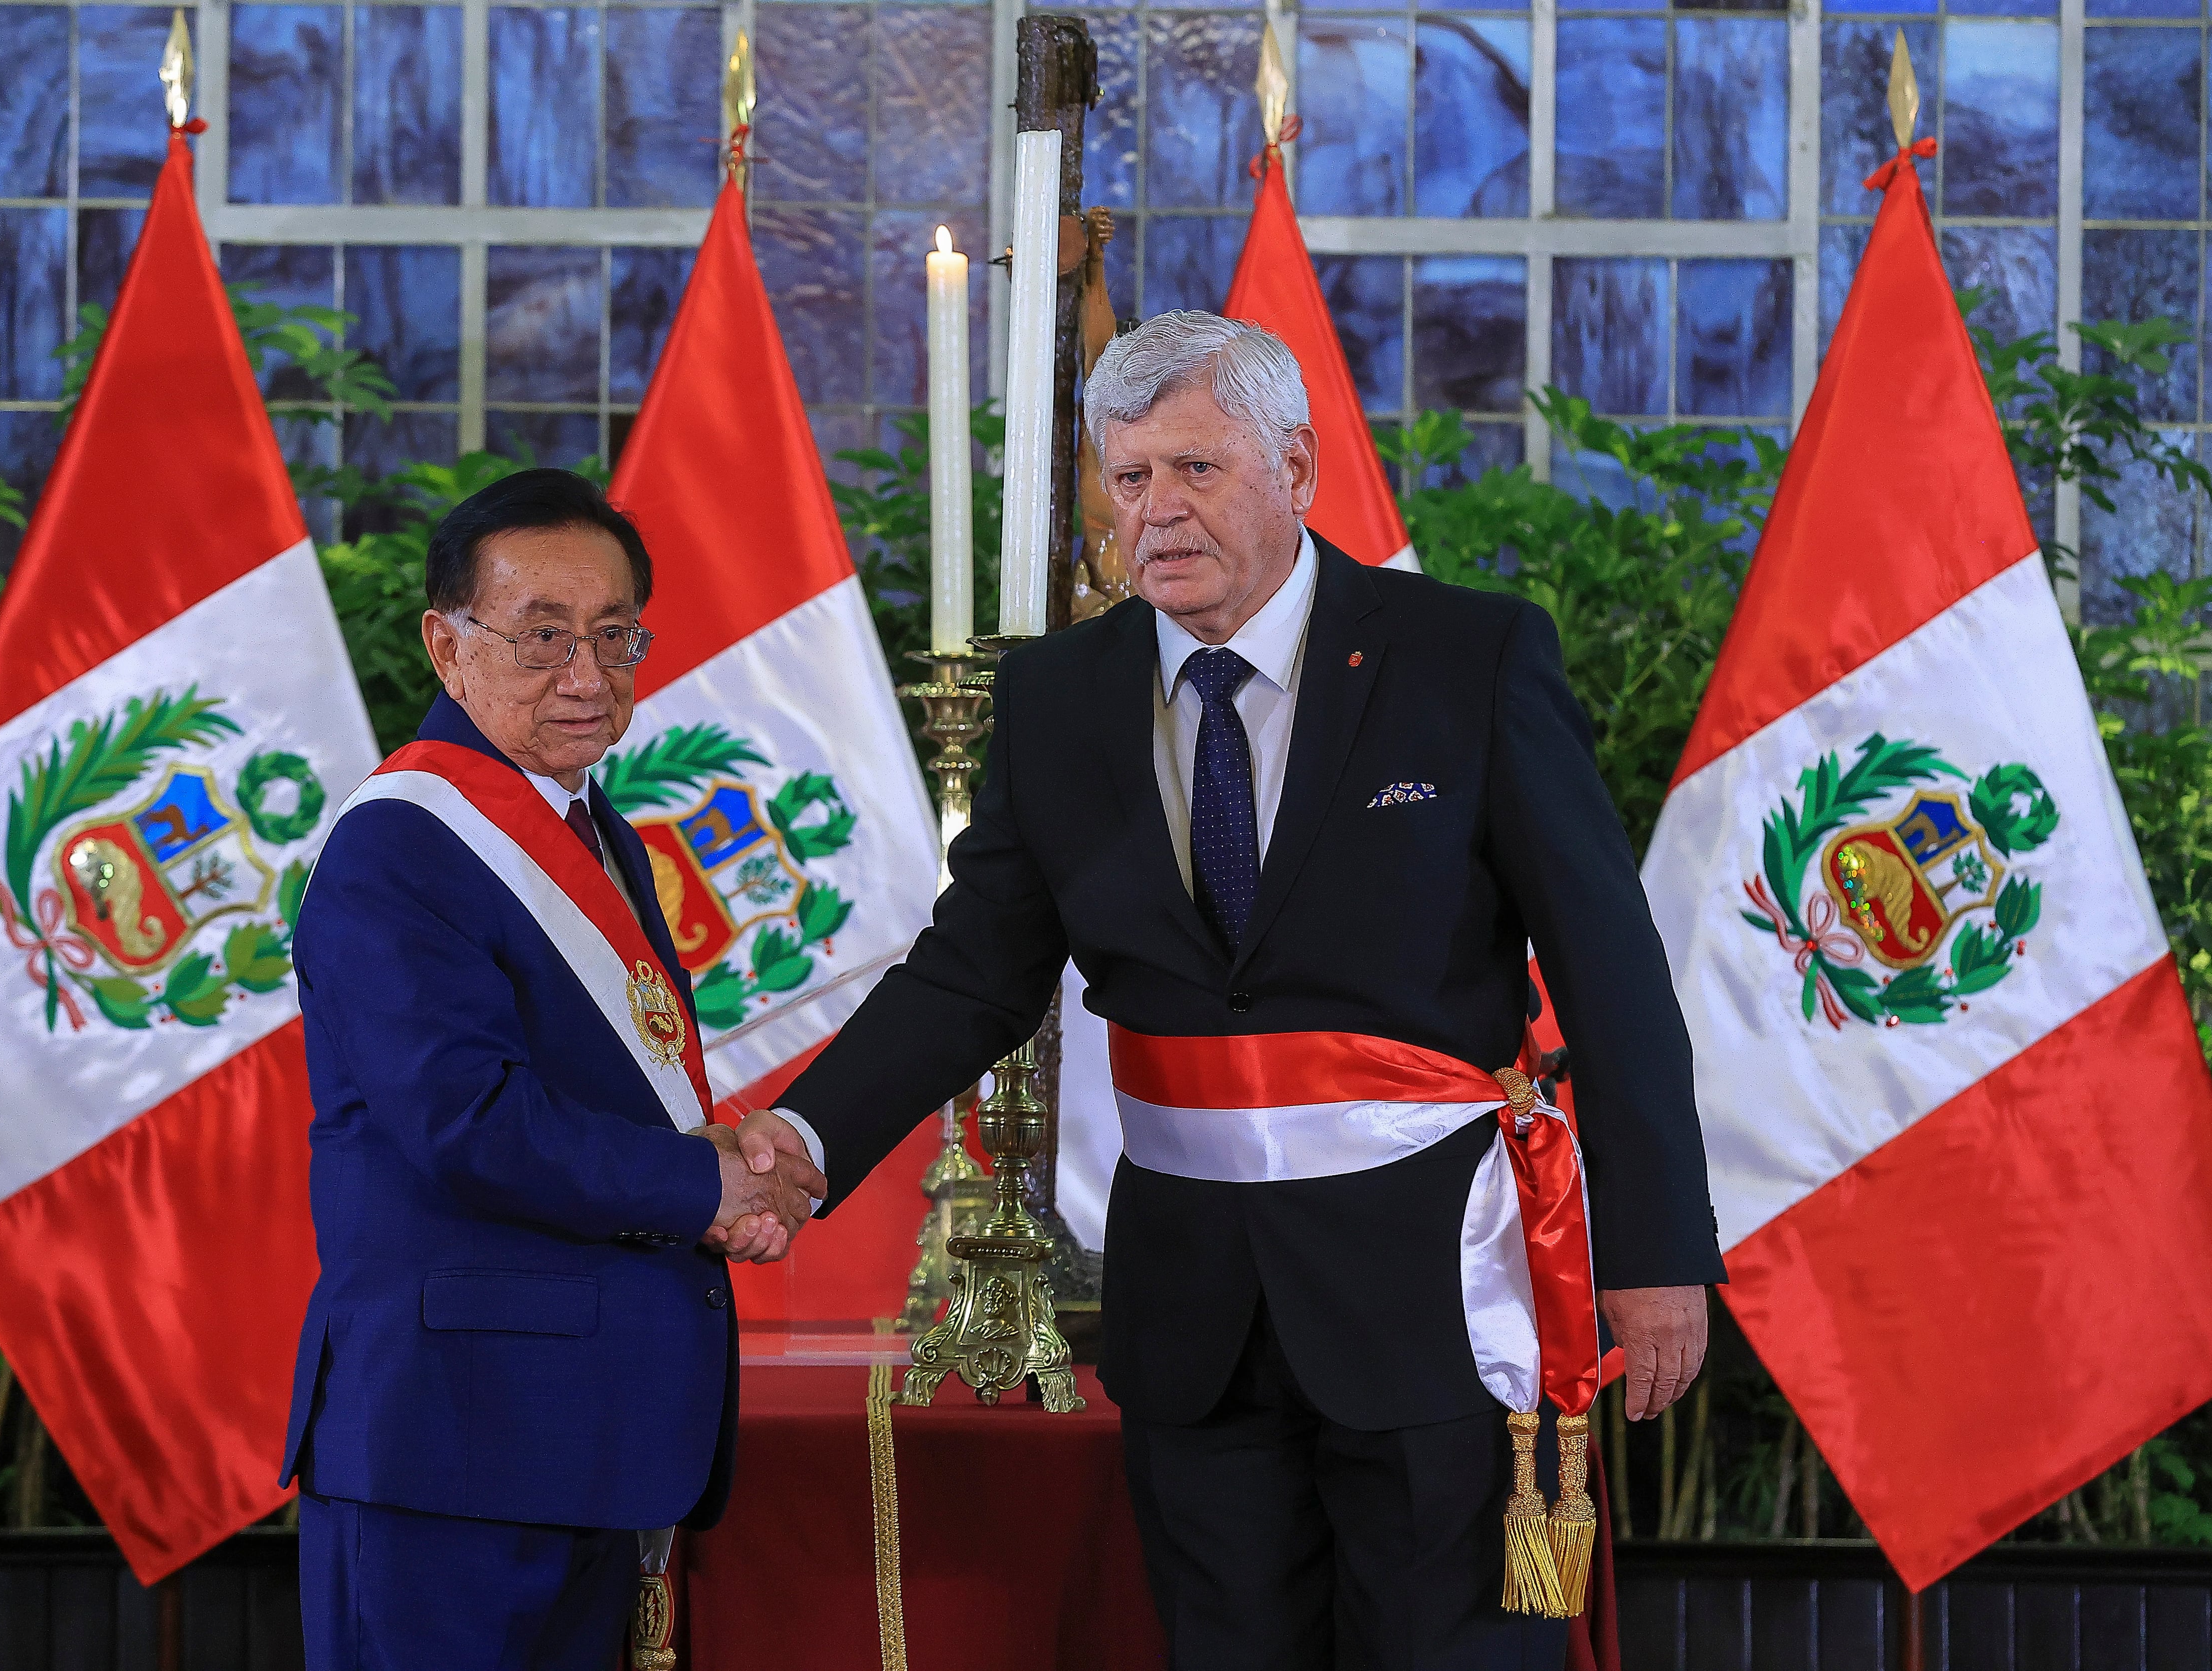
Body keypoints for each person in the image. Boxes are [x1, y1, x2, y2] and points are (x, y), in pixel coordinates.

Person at [735, 313, 1724, 1670]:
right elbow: (973, 971)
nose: (1158, 511)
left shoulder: (1466, 658)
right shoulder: (1057, 697)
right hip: (1192, 1309)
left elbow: (1614, 978)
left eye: (1196, 468)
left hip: (1432, 1292)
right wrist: (804, 1136)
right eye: (1129, 479)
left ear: (1298, 467)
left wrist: (1660, 1252)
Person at [279, 469, 824, 1671]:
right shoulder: (398, 845)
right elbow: (465, 1120)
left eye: (615, 632)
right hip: (451, 1441)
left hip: (586, 1431)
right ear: (446, 643)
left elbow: (598, 1093)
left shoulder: (597, 827)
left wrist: (724, 1158)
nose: (587, 675)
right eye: (541, 637)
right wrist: (704, 1188)